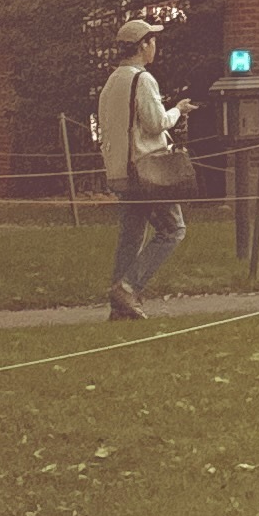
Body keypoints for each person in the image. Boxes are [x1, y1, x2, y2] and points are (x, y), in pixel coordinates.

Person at [97, 16, 189, 319]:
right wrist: (178, 110)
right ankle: (128, 287)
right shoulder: (143, 79)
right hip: (146, 170)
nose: (155, 47)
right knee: (173, 230)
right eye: (153, 41)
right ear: (142, 46)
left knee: (131, 235)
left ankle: (119, 307)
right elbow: (155, 123)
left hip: (121, 171)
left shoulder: (112, 82)